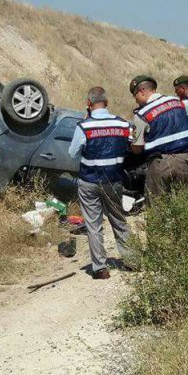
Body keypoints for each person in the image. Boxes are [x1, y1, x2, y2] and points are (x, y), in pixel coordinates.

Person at [68, 87, 132, 280]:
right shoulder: (122, 124)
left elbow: (72, 153)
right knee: (119, 220)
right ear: (107, 102)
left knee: (93, 224)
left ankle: (100, 268)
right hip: (113, 181)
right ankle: (133, 260)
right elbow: (130, 146)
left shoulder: (84, 127)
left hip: (89, 181)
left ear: (88, 103)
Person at [129, 75, 188, 201]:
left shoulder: (141, 115)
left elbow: (137, 148)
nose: (135, 100)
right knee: (187, 209)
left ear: (142, 91)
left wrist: (131, 143)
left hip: (160, 164)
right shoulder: (177, 102)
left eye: (135, 95)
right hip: (186, 161)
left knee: (157, 210)